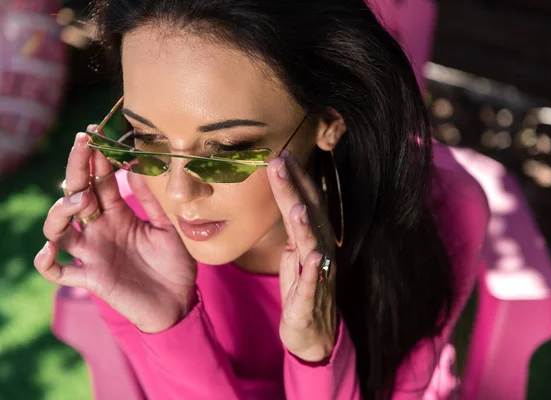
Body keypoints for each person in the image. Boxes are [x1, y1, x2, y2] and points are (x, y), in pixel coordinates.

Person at [34, 1, 482, 399]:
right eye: (147, 137)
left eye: (227, 148)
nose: (177, 191)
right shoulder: (130, 229)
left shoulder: (444, 211)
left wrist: (316, 353)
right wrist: (168, 324)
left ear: (329, 121)